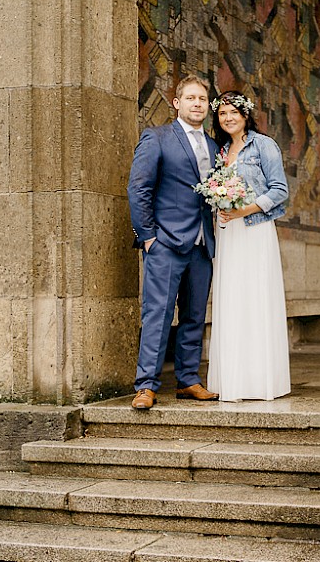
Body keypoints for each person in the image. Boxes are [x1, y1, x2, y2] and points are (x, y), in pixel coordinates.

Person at [127, 75, 220, 409]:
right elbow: (138, 188)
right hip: (165, 242)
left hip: (201, 244)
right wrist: (148, 237)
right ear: (177, 103)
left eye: (202, 99)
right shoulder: (157, 137)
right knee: (158, 314)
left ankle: (188, 380)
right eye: (190, 98)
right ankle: (147, 385)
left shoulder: (213, 147)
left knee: (195, 315)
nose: (197, 103)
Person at [207, 91, 291, 401]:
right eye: (222, 113)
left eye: (233, 112)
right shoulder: (221, 150)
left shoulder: (263, 145)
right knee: (232, 301)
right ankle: (234, 379)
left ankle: (260, 380)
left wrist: (246, 209)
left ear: (245, 115)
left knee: (256, 300)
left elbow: (280, 189)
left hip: (255, 230)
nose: (227, 118)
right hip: (229, 233)